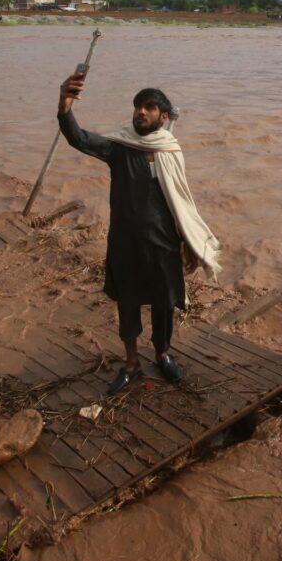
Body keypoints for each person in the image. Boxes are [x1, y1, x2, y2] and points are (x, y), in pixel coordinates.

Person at [57, 73, 221, 394]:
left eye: (149, 106)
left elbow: (182, 204)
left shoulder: (171, 151)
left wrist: (187, 243)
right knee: (128, 304)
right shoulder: (119, 149)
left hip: (163, 244)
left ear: (163, 115)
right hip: (125, 243)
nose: (141, 112)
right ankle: (131, 364)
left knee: (164, 304)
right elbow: (78, 138)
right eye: (137, 106)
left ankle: (162, 353)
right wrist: (64, 104)